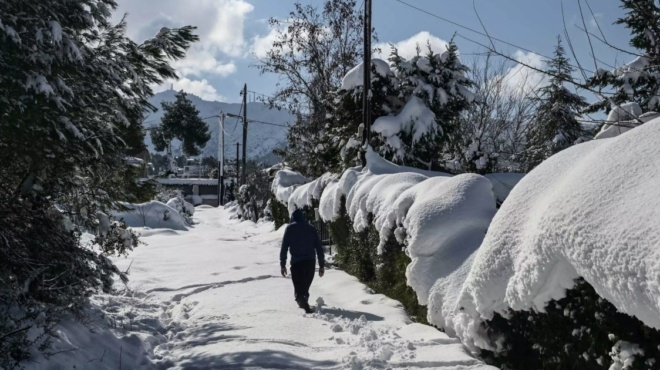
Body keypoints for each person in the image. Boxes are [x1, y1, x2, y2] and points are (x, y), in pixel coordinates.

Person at [280, 209, 325, 313]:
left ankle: (302, 301)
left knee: (299, 288)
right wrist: (321, 265)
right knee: (305, 287)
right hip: (310, 263)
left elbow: (284, 248)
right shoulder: (311, 229)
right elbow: (319, 248)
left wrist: (283, 264)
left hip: (296, 264)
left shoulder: (290, 229)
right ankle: (304, 300)